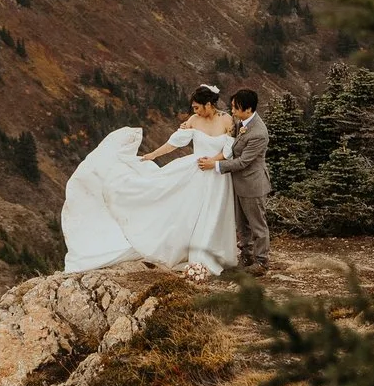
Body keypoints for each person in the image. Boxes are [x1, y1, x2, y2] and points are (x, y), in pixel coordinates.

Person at [60, 84, 240, 273]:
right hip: (195, 172)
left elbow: (228, 150)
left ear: (208, 104)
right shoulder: (194, 120)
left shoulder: (227, 120)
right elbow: (174, 143)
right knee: (189, 213)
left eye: (197, 107)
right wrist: (152, 155)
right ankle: (194, 255)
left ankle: (214, 256)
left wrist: (213, 161)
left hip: (217, 174)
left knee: (214, 214)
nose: (193, 111)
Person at [199, 88, 272, 272]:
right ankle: (246, 257)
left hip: (253, 184)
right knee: (241, 224)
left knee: (257, 226)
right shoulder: (242, 122)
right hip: (238, 184)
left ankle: (261, 262)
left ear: (248, 109)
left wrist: (214, 166)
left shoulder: (258, 133)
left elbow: (243, 162)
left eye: (235, 108)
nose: (232, 111)